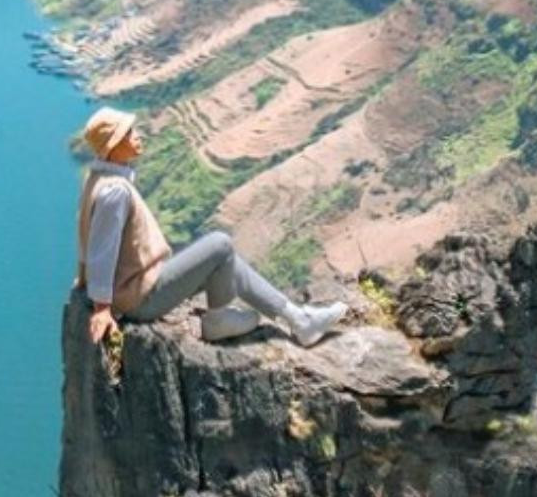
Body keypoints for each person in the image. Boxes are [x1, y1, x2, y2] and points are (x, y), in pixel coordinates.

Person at [76, 107, 348, 346]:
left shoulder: (99, 178)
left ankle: (298, 320)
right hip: (139, 299)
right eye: (128, 133)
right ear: (112, 146)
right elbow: (103, 248)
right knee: (220, 243)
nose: (137, 135)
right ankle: (218, 320)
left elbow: (88, 239)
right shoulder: (115, 192)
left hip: (135, 288)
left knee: (225, 258)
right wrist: (102, 306)